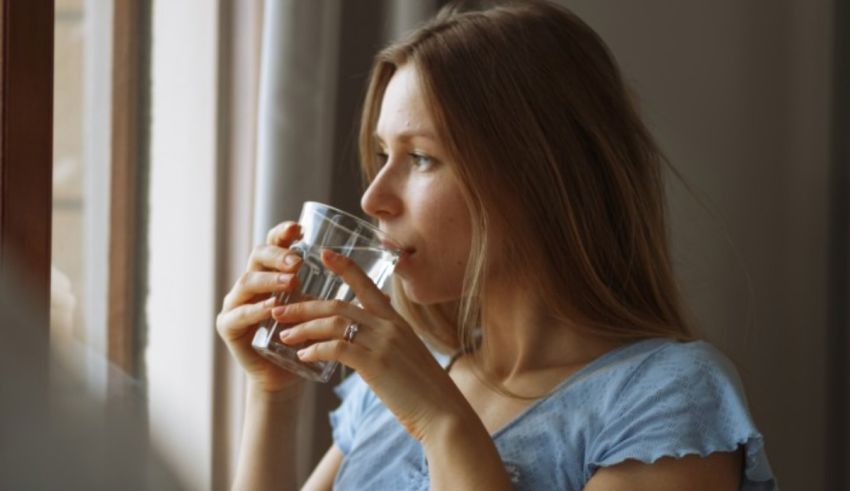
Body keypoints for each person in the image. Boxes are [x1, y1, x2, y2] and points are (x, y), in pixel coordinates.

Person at [216, 1, 777, 489]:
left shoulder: (667, 400)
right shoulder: (396, 381)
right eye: (382, 155)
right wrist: (275, 393)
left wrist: (441, 421)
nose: (372, 198)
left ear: (538, 178)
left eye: (420, 158)